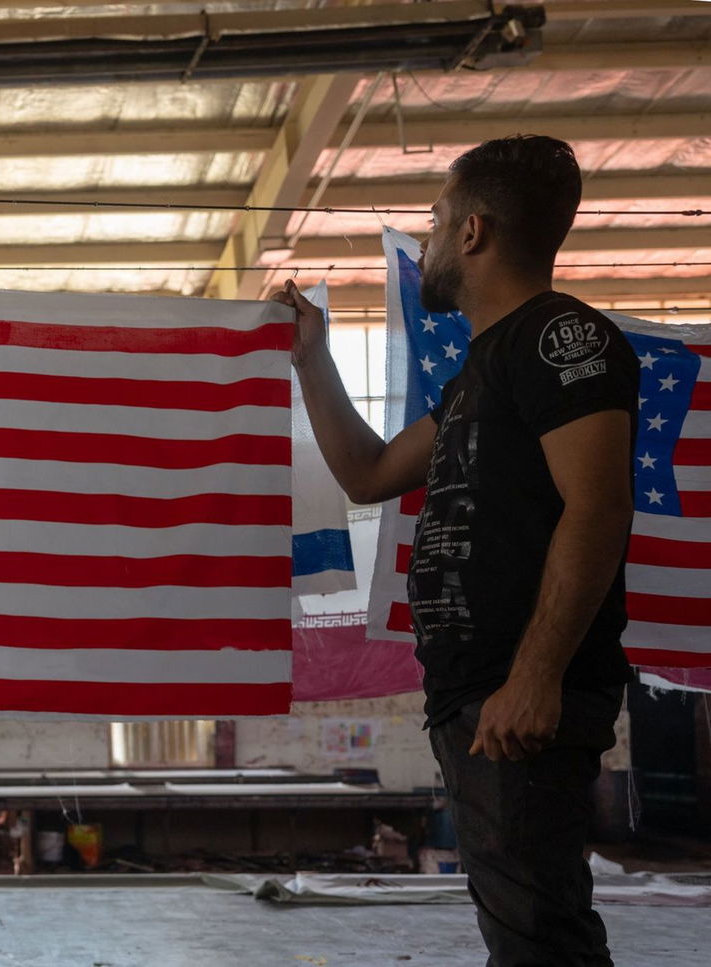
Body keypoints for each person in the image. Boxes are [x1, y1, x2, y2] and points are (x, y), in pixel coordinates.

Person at [275, 135, 637, 965]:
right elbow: (369, 472)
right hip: (476, 694)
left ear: (473, 232)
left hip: (520, 694)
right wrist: (313, 357)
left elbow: (599, 506)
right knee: (522, 925)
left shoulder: (559, 337)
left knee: (540, 935)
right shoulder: (482, 370)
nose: (429, 239)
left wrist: (535, 677)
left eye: (436, 221)